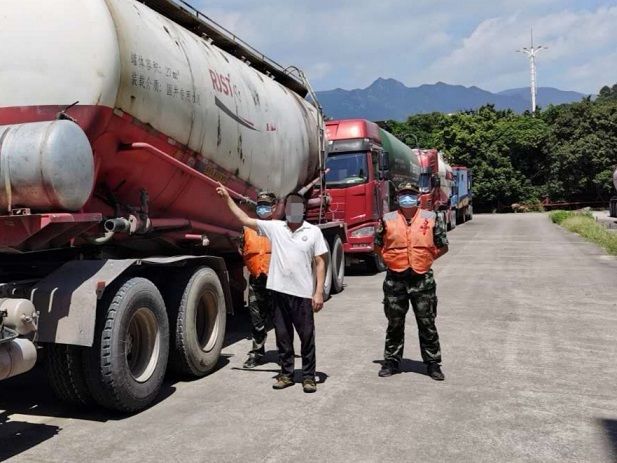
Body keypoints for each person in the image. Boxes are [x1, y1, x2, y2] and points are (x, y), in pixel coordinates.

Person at [216, 183, 328, 393]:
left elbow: (320, 262)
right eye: (290, 206)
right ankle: (286, 374)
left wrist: (318, 291)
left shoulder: (313, 232)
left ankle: (308, 377)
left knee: (306, 337)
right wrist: (226, 198)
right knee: (283, 337)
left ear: (303, 209)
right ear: (285, 209)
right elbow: (244, 220)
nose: (294, 210)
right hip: (278, 292)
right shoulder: (276, 228)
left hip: (302, 294)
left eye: (298, 206)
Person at [375, 181, 449, 381]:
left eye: (411, 193)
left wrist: (426, 259)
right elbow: (377, 244)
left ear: (418, 197)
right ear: (398, 196)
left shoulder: (431, 217)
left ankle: (433, 363)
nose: (407, 197)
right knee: (395, 322)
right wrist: (389, 260)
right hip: (395, 279)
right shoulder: (388, 219)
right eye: (403, 193)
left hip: (422, 278)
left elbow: (443, 245)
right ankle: (391, 361)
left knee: (427, 322)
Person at [241, 191, 276, 369]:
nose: (262, 208)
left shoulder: (280, 228)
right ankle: (256, 352)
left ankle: (286, 353)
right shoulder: (248, 228)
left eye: (266, 205)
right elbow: (243, 250)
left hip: (277, 282)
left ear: (274, 208)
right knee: (257, 321)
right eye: (260, 205)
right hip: (256, 281)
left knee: (281, 321)